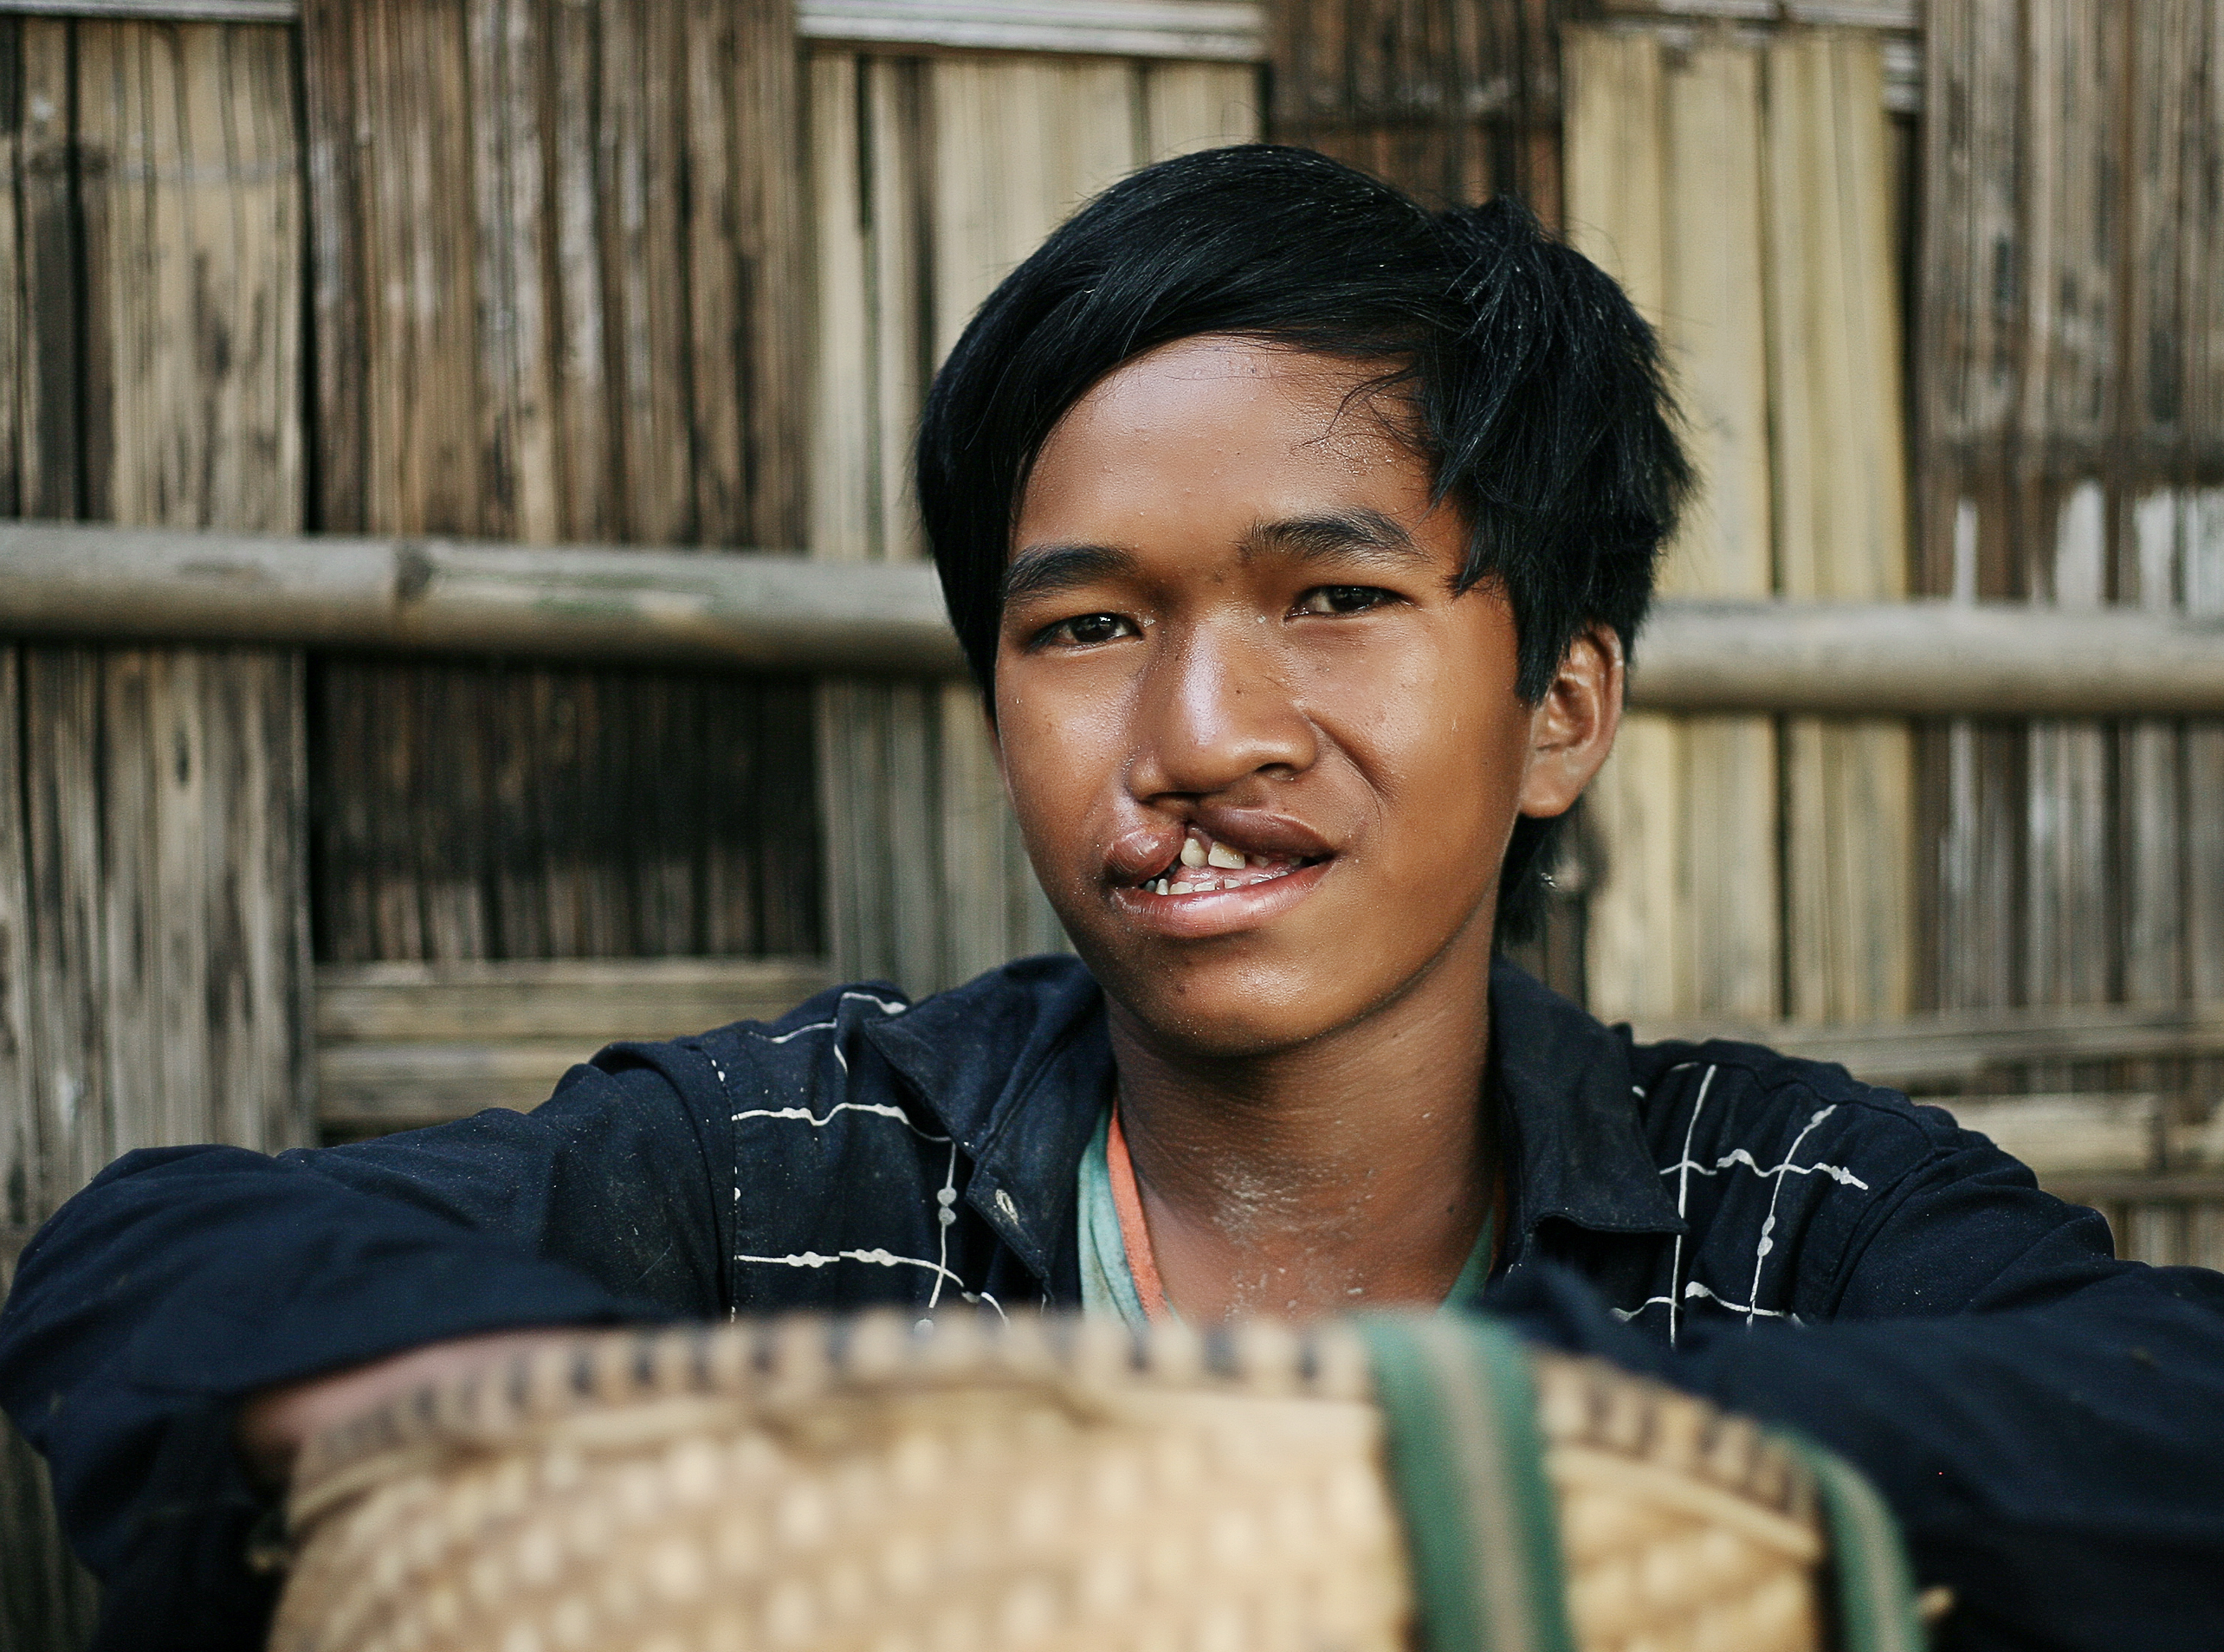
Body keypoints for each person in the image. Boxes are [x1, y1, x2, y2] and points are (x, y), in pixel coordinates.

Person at [3, 145, 2220, 1652]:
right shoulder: (798, 1170)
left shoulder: (1778, 1212)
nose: (1196, 732)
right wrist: (676, 1445)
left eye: (1333, 597)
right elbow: (162, 1260)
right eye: (1084, 629)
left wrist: (1500, 1455)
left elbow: (2168, 1409)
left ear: (1558, 704)